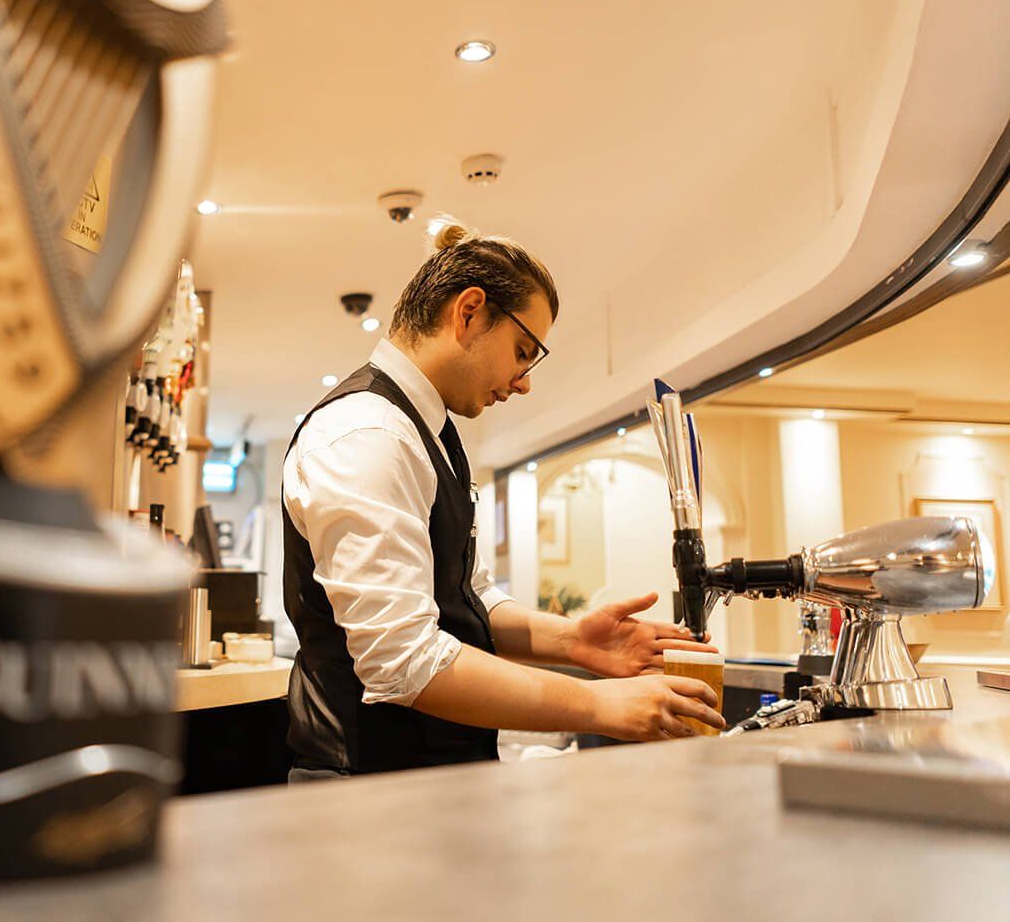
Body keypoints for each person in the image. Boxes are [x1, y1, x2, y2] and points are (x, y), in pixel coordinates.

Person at [282, 217, 723, 781]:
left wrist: (574, 640)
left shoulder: (427, 433)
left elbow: (469, 594)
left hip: (426, 782)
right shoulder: (369, 433)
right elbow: (402, 661)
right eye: (522, 350)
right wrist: (600, 705)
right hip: (367, 788)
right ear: (468, 312)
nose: (524, 382)